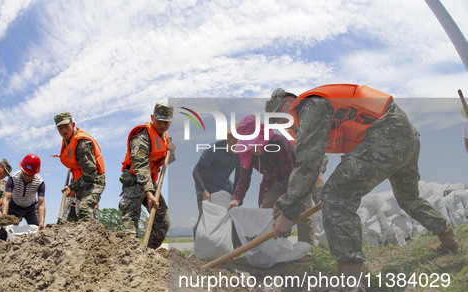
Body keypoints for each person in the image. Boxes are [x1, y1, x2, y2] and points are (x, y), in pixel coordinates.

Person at [266, 84, 460, 278]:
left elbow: (308, 164)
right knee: (409, 198)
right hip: (406, 135)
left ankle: (349, 280)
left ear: (290, 102)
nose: (280, 123)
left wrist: (289, 211)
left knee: (336, 194)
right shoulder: (311, 116)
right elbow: (313, 161)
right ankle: (448, 239)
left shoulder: (310, 105)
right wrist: (286, 202)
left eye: (278, 116)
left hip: (387, 132)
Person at [227, 114, 315, 244]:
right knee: (268, 210)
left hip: (297, 177)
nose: (253, 149)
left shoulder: (279, 144)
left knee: (304, 212)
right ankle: (277, 247)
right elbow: (244, 177)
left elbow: (288, 177)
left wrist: (282, 202)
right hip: (272, 180)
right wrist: (237, 198)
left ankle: (306, 248)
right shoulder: (246, 153)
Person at [119, 102, 175, 248]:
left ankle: (147, 254)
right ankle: (129, 256)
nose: (162, 125)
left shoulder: (164, 137)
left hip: (150, 182)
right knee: (130, 223)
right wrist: (149, 192)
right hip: (134, 181)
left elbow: (161, 161)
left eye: (166, 122)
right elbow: (140, 166)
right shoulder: (141, 137)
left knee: (163, 222)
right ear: (152, 117)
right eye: (159, 120)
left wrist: (170, 153)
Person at [54, 112, 106, 222]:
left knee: (85, 209)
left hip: (94, 181)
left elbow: (91, 174)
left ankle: (91, 238)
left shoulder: (83, 144)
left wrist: (72, 187)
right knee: (72, 217)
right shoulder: (67, 141)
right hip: (79, 180)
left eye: (66, 126)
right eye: (60, 128)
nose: (63, 131)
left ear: (73, 125)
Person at [192, 131, 241, 238]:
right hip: (205, 186)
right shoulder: (212, 149)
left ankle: (234, 245)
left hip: (224, 186)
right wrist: (204, 191)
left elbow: (238, 177)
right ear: (229, 137)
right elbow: (196, 172)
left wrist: (235, 195)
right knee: (204, 215)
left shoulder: (240, 152)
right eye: (238, 139)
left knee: (232, 213)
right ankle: (198, 249)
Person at [0, 154, 46, 241]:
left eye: (30, 175)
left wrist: (41, 222)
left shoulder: (40, 182)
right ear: (21, 169)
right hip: (14, 206)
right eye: (25, 174)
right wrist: (4, 217)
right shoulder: (13, 178)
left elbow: (41, 204)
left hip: (31, 208)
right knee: (4, 230)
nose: (27, 177)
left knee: (39, 231)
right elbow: (6, 198)